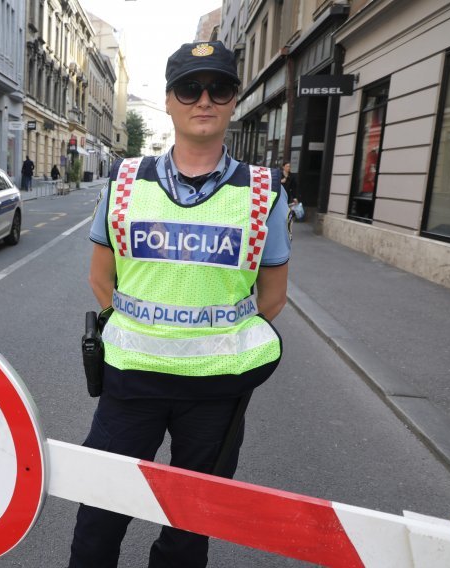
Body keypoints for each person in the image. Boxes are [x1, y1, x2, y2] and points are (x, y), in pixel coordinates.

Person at [68, 41, 290, 568]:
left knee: (190, 526)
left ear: (235, 100)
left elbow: (273, 298)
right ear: (169, 100)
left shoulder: (264, 192)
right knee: (99, 518)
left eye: (220, 87)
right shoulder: (124, 181)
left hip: (217, 392)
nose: (204, 99)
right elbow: (103, 281)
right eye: (190, 87)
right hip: (131, 382)